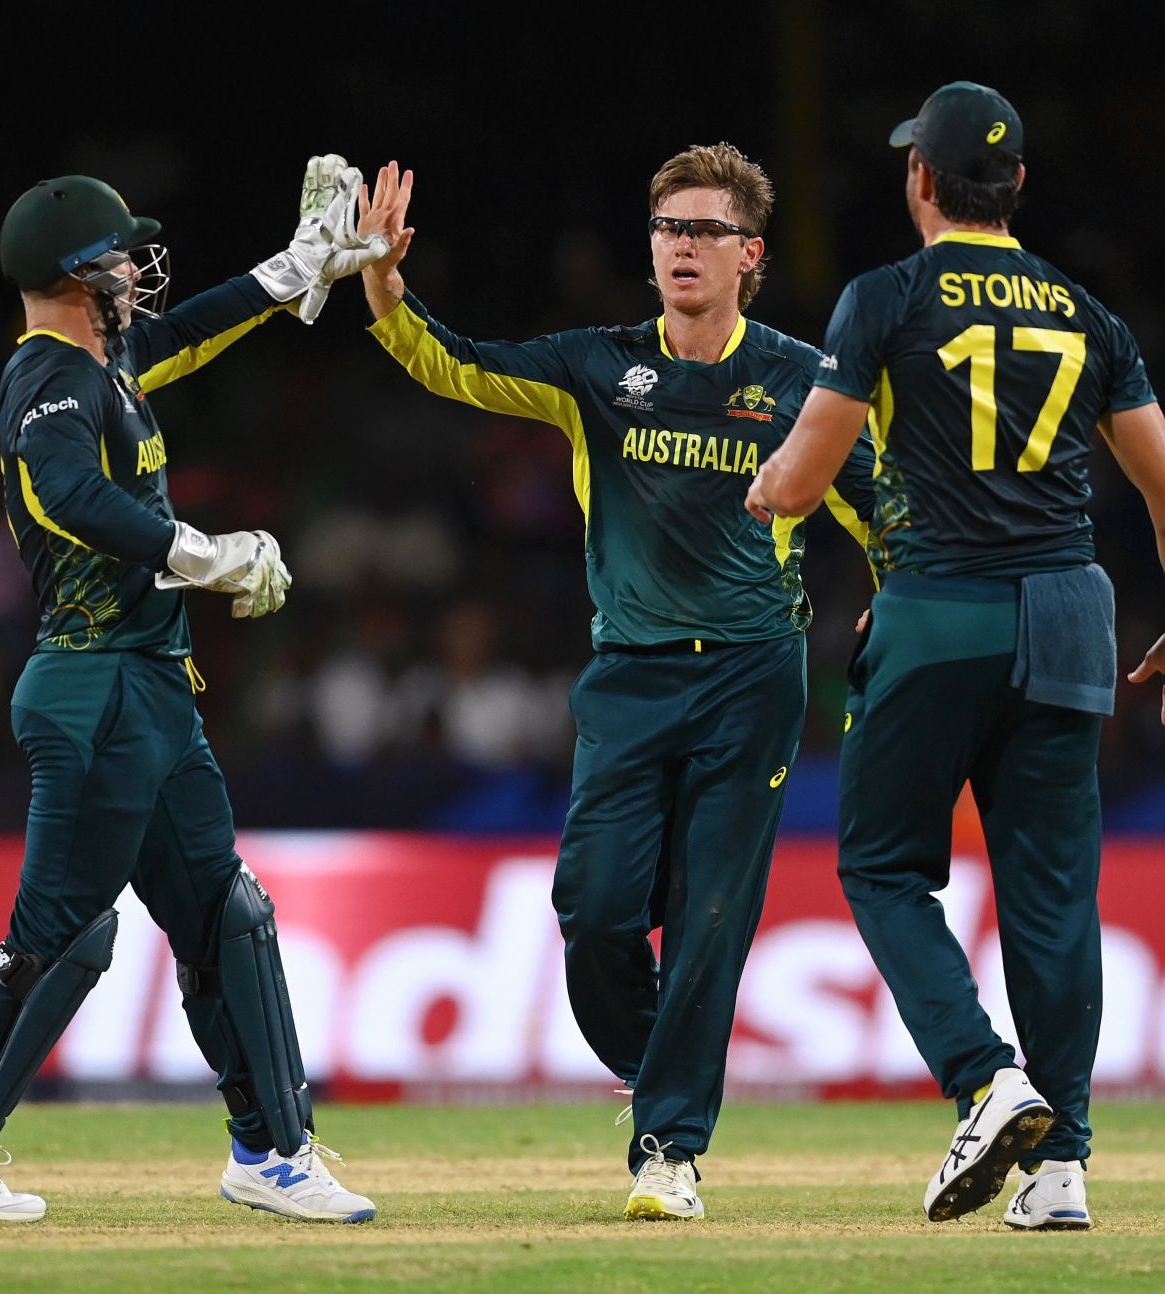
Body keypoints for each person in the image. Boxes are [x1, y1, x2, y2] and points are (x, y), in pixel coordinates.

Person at [358, 146, 876, 1220]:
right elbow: (457, 365)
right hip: (631, 679)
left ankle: (670, 1149)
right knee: (594, 912)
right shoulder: (600, 367)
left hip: (751, 679)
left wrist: (903, 597)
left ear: (751, 255)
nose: (682, 245)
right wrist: (386, 290)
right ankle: (666, 1073)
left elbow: (883, 508)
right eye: (667, 228)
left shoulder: (799, 377)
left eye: (705, 231)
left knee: (709, 919)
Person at [0, 161, 395, 1224]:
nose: (135, 270)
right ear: (78, 275)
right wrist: (198, 553)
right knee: (64, 933)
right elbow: (62, 492)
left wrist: (297, 268)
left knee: (225, 914)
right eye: (119, 255)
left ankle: (273, 1152)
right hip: (97, 686)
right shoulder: (48, 379)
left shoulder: (102, 365)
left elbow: (196, 329)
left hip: (148, 689)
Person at [746, 82, 1165, 1230]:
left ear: (921, 182)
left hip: (939, 611)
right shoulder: (1087, 314)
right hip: (1069, 615)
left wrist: (762, 483)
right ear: (1018, 188)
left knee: (882, 868)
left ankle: (981, 1077)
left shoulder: (887, 299)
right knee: (1054, 900)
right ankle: (1063, 1172)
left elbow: (801, 486)